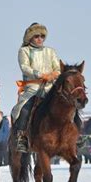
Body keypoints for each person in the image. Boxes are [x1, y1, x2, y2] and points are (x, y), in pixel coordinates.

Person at [11, 23, 60, 153]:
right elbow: (25, 67)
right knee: (24, 108)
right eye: (36, 36)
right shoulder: (24, 51)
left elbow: (58, 68)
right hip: (33, 86)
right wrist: (41, 75)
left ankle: (76, 135)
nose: (40, 39)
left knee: (69, 104)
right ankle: (21, 137)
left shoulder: (50, 51)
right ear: (30, 38)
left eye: (42, 36)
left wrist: (54, 74)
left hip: (50, 87)